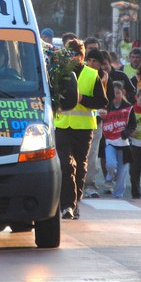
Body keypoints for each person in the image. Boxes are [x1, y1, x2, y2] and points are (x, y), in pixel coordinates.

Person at [54, 39, 108, 220]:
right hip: (61, 126)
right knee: (66, 165)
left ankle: (75, 204)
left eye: (75, 55)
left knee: (80, 167)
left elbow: (102, 102)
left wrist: (82, 98)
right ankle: (67, 205)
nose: (72, 58)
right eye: (69, 54)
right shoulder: (58, 73)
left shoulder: (92, 75)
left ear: (82, 56)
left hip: (84, 129)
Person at [83, 48, 113, 199]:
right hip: (79, 121)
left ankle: (90, 185)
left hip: (96, 122)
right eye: (90, 60)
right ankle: (77, 184)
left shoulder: (105, 78)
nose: (92, 63)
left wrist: (105, 110)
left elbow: (109, 99)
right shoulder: (80, 74)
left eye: (95, 61)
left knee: (92, 156)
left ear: (101, 64)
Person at [99, 81, 137, 198]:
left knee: (122, 172)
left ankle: (118, 195)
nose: (115, 95)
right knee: (110, 164)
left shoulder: (128, 108)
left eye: (118, 93)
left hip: (124, 143)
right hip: (109, 142)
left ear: (123, 93)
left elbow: (133, 125)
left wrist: (127, 132)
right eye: (113, 93)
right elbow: (99, 120)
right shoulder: (106, 107)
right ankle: (110, 175)